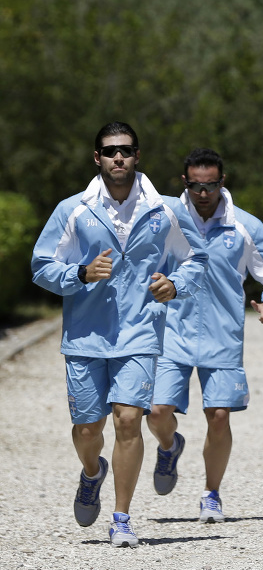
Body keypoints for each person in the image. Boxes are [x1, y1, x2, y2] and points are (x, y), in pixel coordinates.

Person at [31, 122, 208, 547]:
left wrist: (177, 285)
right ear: (97, 158)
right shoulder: (72, 209)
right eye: (110, 151)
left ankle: (122, 518)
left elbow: (197, 259)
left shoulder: (165, 209)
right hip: (85, 336)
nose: (118, 158)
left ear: (137, 155)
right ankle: (92, 472)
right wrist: (80, 273)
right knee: (88, 430)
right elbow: (41, 265)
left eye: (126, 150)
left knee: (128, 420)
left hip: (140, 331)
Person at [146, 148, 263, 523]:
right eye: (196, 186)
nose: (203, 193)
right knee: (157, 411)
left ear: (221, 182)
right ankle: (169, 445)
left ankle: (211, 493)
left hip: (222, 335)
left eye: (210, 185)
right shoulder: (164, 222)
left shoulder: (244, 226)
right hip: (171, 332)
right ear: (185, 183)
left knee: (219, 416)